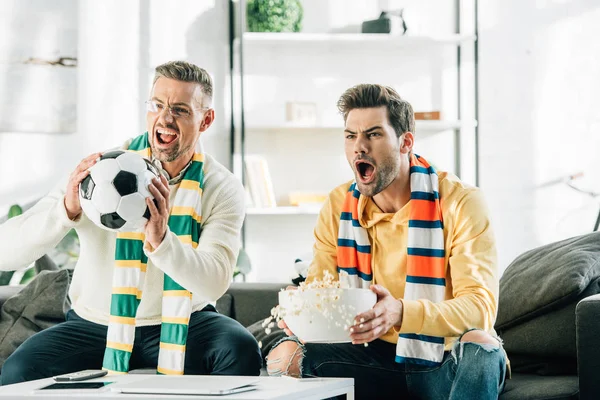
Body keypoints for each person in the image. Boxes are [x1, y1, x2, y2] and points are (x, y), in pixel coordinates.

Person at [0, 60, 261, 384]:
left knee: (239, 349)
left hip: (185, 321)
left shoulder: (221, 186)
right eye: (157, 105)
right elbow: (6, 253)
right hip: (94, 323)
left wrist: (162, 241)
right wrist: (64, 211)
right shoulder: (99, 173)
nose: (165, 118)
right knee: (18, 372)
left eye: (180, 110)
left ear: (205, 119)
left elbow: (214, 281)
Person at [266, 84, 507, 399]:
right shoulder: (338, 205)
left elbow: (479, 309)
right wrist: (304, 313)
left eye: (374, 135)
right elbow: (320, 292)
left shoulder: (460, 201)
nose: (359, 147)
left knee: (481, 343)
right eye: (351, 136)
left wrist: (401, 312)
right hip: (372, 356)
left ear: (405, 142)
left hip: (443, 358)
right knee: (283, 356)